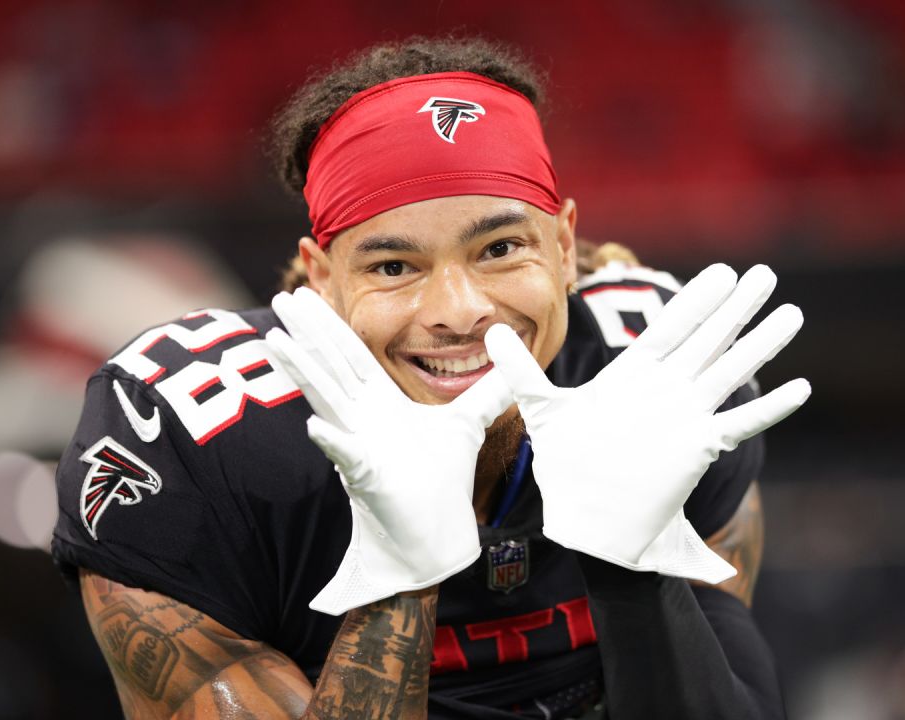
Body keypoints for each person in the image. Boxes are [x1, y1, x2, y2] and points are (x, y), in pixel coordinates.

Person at [52, 37, 809, 719]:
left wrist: (632, 564)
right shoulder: (191, 440)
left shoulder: (655, 373)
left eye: (501, 249)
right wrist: (398, 575)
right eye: (393, 265)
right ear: (321, 280)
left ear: (563, 244)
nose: (458, 310)